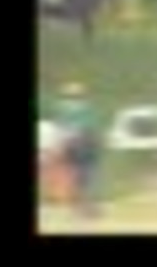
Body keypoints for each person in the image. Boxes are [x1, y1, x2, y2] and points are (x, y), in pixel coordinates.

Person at [51, 81, 102, 217]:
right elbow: (90, 128)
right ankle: (85, 206)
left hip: (78, 145)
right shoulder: (87, 108)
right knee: (85, 176)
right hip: (84, 145)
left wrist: (59, 145)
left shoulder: (63, 108)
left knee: (78, 176)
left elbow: (62, 130)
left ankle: (82, 206)